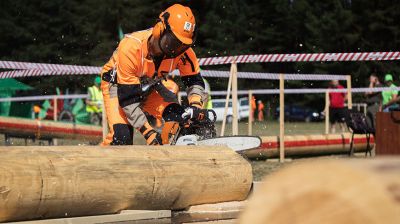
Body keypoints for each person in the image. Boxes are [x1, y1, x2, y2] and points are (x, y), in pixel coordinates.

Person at [100, 4, 206, 145]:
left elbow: (194, 81)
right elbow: (128, 101)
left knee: (179, 118)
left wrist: (195, 106)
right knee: (121, 139)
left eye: (182, 46)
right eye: (172, 43)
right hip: (118, 85)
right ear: (159, 30)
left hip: (149, 84)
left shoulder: (183, 53)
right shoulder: (131, 47)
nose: (176, 50)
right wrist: (149, 133)